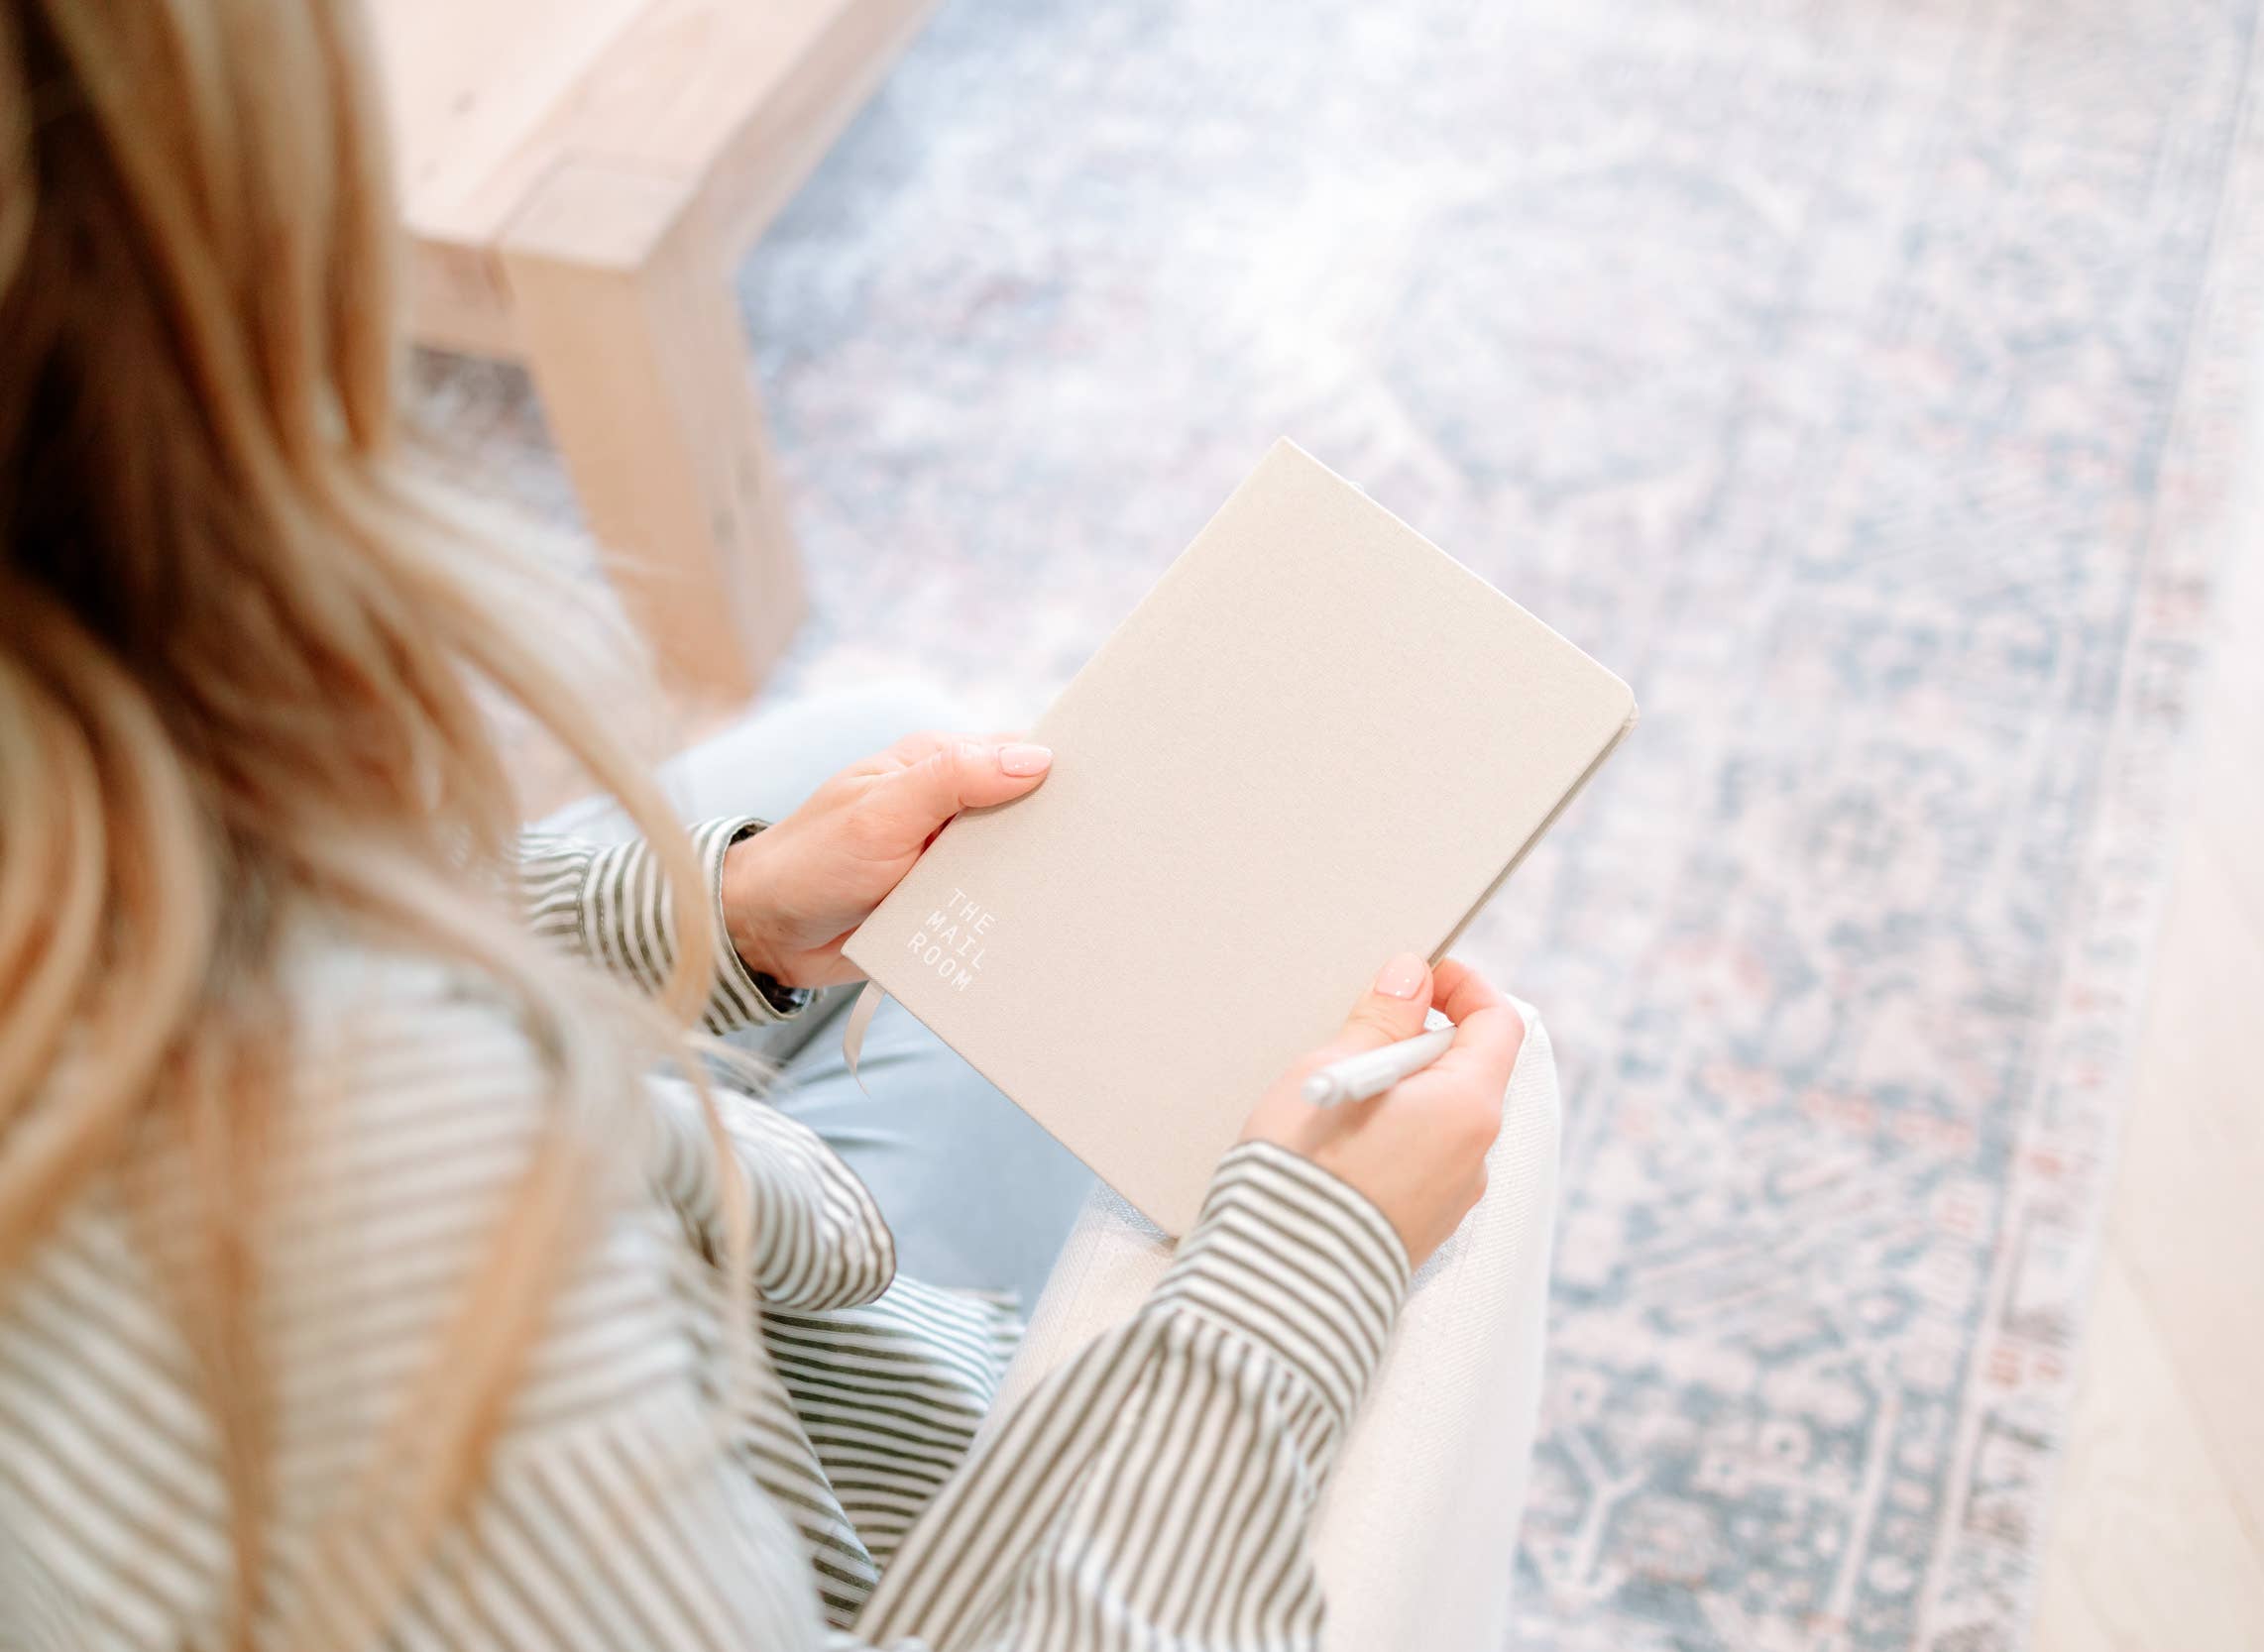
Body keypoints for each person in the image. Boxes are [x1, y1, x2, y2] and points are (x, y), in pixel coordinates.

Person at [0, 2, 1523, 1648]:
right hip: (854, 1541)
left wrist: (718, 921)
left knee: (905, 763)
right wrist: (1302, 1268)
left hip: (724, 1293)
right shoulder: (359, 1210)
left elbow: (297, 936)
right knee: (1466, 1087)